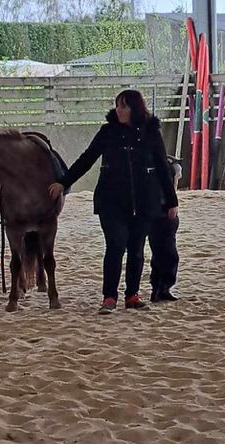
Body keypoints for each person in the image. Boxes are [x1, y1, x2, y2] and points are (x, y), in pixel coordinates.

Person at [49, 90, 178, 314]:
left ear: (135, 109)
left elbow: (161, 168)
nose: (119, 110)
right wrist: (63, 182)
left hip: (144, 201)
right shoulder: (108, 132)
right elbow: (87, 158)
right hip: (112, 201)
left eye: (124, 106)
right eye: (117, 105)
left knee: (136, 250)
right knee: (116, 246)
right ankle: (109, 297)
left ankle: (132, 295)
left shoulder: (151, 132)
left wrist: (171, 201)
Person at [149, 155, 182, 302]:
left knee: (165, 251)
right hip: (155, 209)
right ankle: (159, 287)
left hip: (163, 209)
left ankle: (161, 288)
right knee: (163, 251)